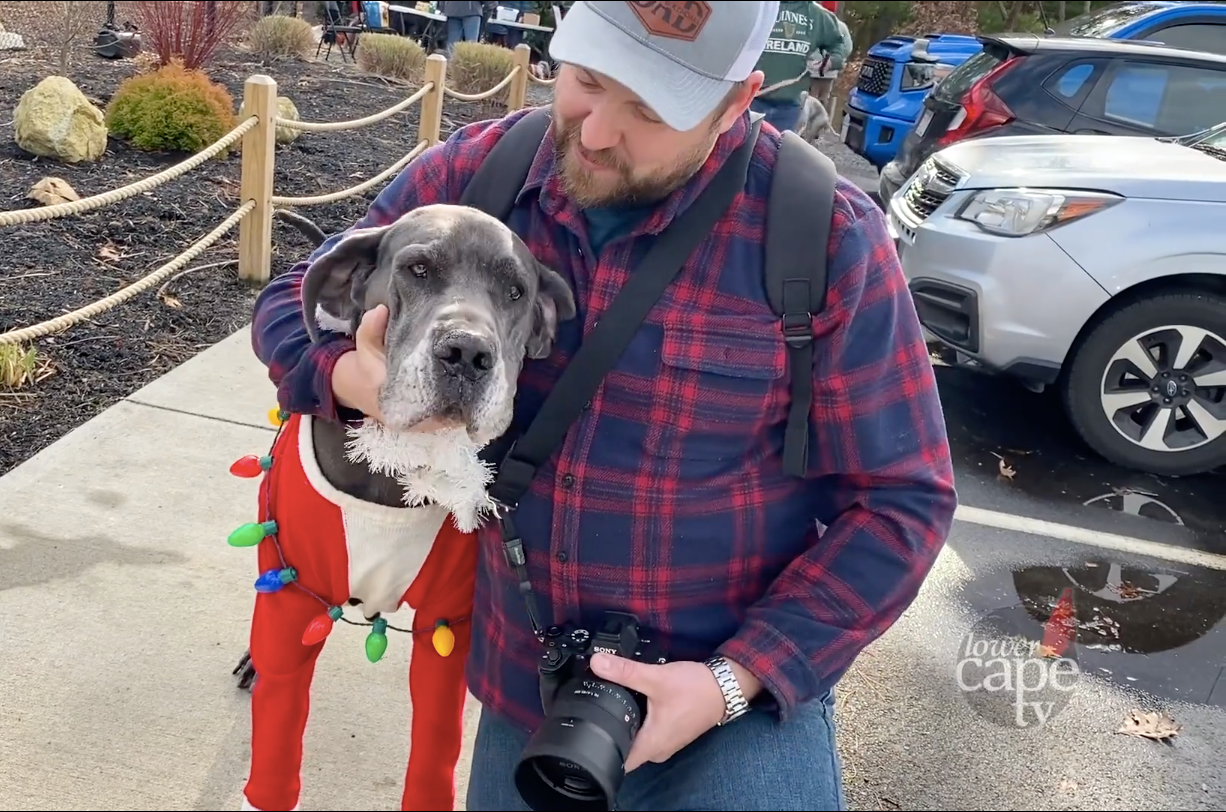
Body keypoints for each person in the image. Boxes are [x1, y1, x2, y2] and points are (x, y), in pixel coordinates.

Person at [250, 1, 957, 810]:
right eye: (585, 81)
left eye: (649, 111)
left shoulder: (823, 235)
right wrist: (355, 379)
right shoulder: (483, 176)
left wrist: (736, 679)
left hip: (734, 699)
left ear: (736, 102)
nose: (593, 134)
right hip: (532, 691)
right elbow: (291, 303)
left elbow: (904, 501)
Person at [752, 0, 850, 133]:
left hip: (789, 107)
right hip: (749, 102)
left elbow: (839, 44)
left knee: (778, 151)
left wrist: (831, 62)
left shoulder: (818, 15)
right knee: (741, 151)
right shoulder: (757, 7)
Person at [809, 12, 853, 112]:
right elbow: (848, 48)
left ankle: (808, 122)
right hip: (830, 71)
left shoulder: (814, 22)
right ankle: (821, 122)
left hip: (812, 69)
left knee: (810, 98)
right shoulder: (841, 26)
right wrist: (836, 59)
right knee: (824, 98)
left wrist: (813, 58)